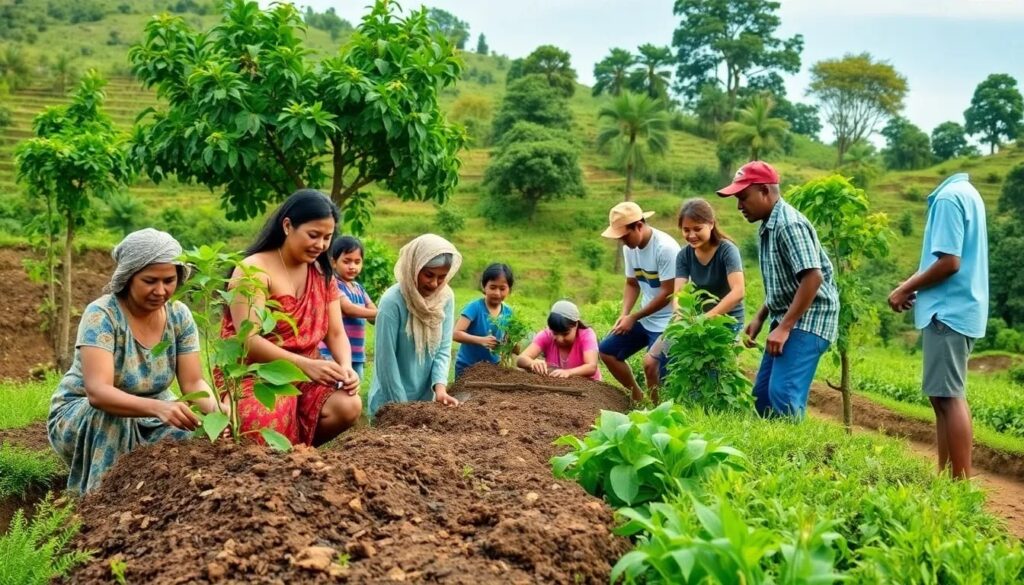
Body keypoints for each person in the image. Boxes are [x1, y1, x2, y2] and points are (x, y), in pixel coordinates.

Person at [47, 229, 225, 493]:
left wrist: (218, 414)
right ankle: (99, 504)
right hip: (87, 418)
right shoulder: (102, 314)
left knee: (193, 435)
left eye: (169, 280)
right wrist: (159, 408)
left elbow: (193, 381)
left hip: (151, 415)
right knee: (112, 416)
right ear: (128, 278)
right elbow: (98, 393)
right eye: (150, 281)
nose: (161, 290)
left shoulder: (179, 315)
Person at [219, 190, 362, 447]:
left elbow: (336, 333)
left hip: (309, 372)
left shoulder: (321, 273)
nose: (320, 245)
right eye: (313, 235)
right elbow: (246, 341)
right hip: (257, 371)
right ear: (287, 226)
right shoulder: (252, 270)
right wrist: (303, 365)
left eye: (327, 238)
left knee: (349, 405)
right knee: (263, 422)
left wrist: (347, 367)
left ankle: (300, 452)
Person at [717, 161, 838, 418]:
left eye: (743, 197)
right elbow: (785, 283)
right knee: (763, 398)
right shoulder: (769, 225)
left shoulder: (788, 225)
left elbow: (812, 278)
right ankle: (772, 455)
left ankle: (797, 456)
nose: (739, 206)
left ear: (764, 191)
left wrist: (783, 327)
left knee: (783, 395)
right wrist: (760, 317)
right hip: (788, 315)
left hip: (811, 317)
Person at [888, 173, 988, 479]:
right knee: (942, 397)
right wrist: (917, 288)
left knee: (948, 397)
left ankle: (958, 485)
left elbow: (949, 262)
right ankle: (947, 477)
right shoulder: (968, 192)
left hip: (948, 312)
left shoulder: (947, 198)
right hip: (960, 307)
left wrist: (904, 287)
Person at [644, 198, 745, 390]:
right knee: (650, 362)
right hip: (694, 321)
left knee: (717, 375)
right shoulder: (684, 255)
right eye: (686, 230)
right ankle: (655, 409)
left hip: (726, 321)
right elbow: (679, 294)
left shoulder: (727, 250)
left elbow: (738, 291)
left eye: (697, 229)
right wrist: (681, 317)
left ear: (711, 224)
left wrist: (707, 317)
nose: (691, 235)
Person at [368, 234, 462, 417]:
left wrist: (440, 389)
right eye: (428, 275)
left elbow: (443, 347)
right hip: (389, 401)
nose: (434, 283)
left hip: (425, 401)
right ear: (414, 267)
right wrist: (402, 407)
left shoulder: (445, 297)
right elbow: (386, 360)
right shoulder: (392, 302)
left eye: (442, 277)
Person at [598, 201, 680, 401]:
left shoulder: (666, 248)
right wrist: (625, 314)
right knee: (607, 351)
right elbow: (632, 283)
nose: (623, 242)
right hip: (645, 317)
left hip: (668, 321)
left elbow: (668, 292)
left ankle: (657, 409)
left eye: (625, 236)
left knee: (652, 367)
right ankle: (637, 394)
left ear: (639, 225)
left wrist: (634, 317)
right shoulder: (630, 249)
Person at [318, 236, 377, 382]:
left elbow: (372, 316)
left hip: (356, 353)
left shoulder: (359, 289)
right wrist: (383, 313)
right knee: (335, 387)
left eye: (357, 262)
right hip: (333, 352)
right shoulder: (334, 284)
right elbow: (348, 309)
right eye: (347, 261)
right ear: (333, 262)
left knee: (353, 386)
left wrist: (382, 314)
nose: (352, 266)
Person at [454, 263, 515, 377]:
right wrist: (481, 340)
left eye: (502, 289)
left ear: (509, 290)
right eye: (493, 287)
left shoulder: (509, 312)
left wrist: (512, 344)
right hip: (467, 367)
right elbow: (456, 334)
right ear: (483, 286)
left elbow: (510, 343)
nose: (497, 293)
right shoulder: (474, 307)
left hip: (493, 368)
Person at [517, 300, 601, 381]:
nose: (560, 339)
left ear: (576, 324)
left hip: (588, 386)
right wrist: (531, 363)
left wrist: (569, 372)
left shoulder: (586, 335)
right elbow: (521, 359)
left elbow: (591, 367)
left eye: (565, 334)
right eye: (555, 333)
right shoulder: (546, 335)